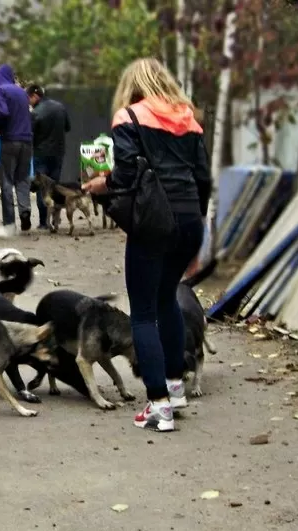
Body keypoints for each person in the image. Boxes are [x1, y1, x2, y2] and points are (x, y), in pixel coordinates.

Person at [82, 57, 212, 433]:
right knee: (167, 298)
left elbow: (123, 174)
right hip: (190, 220)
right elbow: (202, 178)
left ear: (133, 85)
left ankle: (159, 406)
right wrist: (197, 221)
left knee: (142, 314)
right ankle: (175, 388)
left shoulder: (130, 117)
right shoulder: (188, 118)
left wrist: (99, 185)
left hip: (154, 222)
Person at [0, 64, 34, 230]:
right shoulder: (22, 93)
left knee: (7, 181)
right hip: (27, 141)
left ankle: (10, 223)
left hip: (10, 141)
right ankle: (25, 211)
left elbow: (3, 113)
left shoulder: (1, 90)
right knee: (23, 179)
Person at [26, 84, 71, 231]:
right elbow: (68, 127)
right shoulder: (60, 107)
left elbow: (30, 134)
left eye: (28, 98)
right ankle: (55, 221)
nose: (28, 102)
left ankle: (44, 222)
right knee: (55, 187)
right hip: (58, 153)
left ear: (35, 95)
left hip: (41, 154)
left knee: (43, 188)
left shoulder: (35, 113)